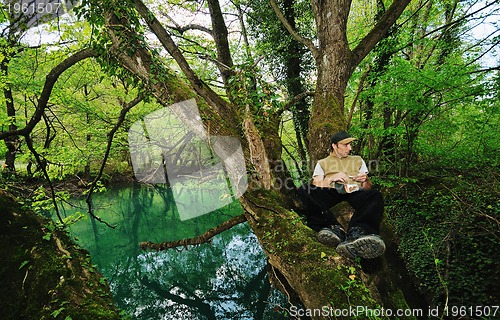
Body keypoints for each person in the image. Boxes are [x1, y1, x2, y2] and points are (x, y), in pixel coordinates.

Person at [299, 131, 385, 259]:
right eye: (345, 145)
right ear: (335, 146)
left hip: (355, 191)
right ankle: (331, 228)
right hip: (332, 191)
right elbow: (316, 183)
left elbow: (367, 187)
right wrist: (332, 178)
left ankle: (359, 231)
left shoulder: (358, 160)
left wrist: (365, 180)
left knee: (375, 195)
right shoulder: (322, 163)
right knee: (305, 189)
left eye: (350, 144)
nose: (349, 148)